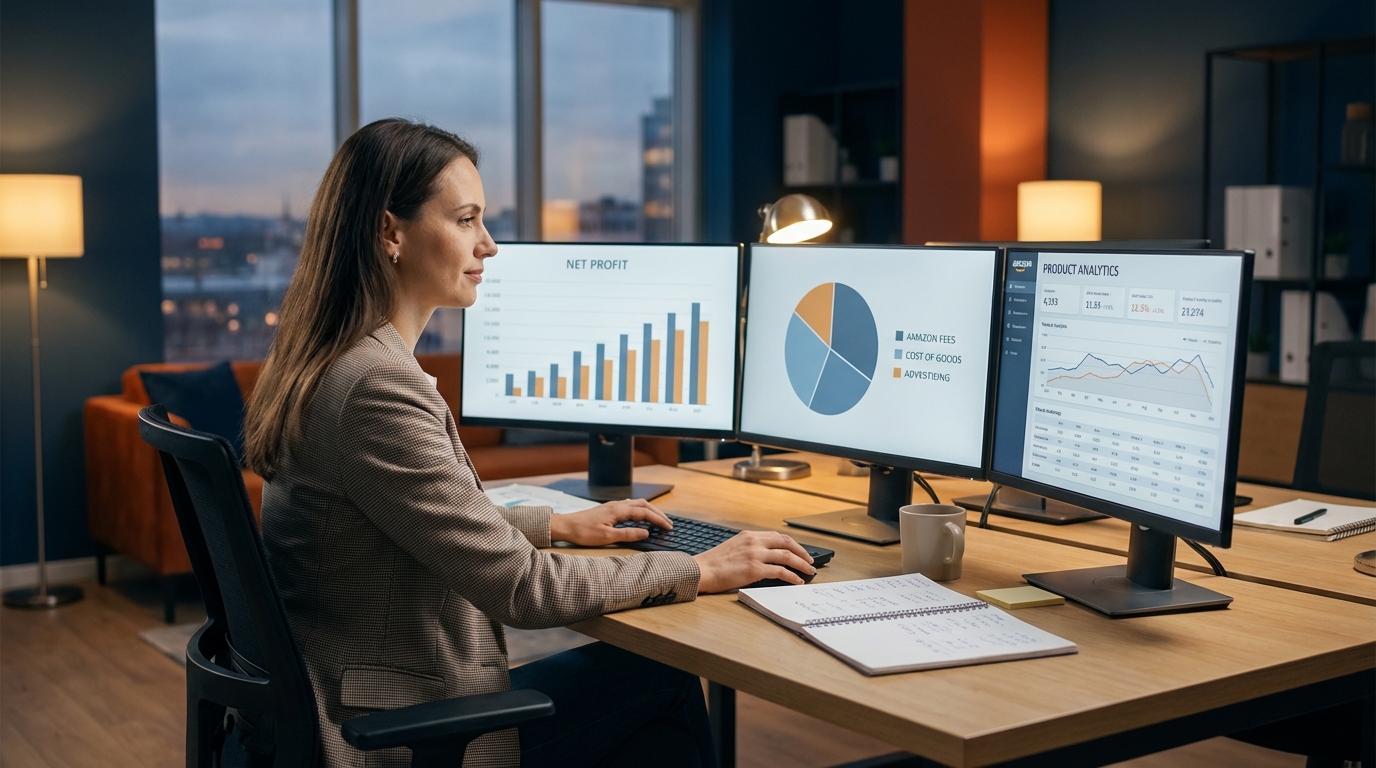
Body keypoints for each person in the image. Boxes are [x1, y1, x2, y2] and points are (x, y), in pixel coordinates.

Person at [242, 118, 816, 768]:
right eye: (465, 220)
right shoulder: (375, 387)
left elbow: (416, 520)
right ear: (389, 232)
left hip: (353, 696)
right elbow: (522, 589)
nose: (488, 245)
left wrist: (559, 524)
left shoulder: (335, 359)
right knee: (661, 682)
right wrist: (702, 567)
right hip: (399, 728)